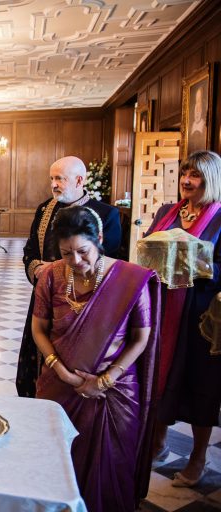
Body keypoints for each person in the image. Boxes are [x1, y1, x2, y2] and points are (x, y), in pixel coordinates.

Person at [32, 206, 159, 512]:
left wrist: (104, 380)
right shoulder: (50, 276)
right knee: (57, 460)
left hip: (114, 391)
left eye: (82, 251)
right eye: (66, 253)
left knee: (111, 464)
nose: (75, 261)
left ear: (99, 239)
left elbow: (140, 339)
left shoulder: (129, 279)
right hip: (59, 385)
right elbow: (39, 329)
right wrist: (64, 374)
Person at [16, 155, 121, 397]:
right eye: (52, 178)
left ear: (79, 180)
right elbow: (30, 251)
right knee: (37, 364)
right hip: (45, 296)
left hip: (85, 303)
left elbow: (112, 260)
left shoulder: (105, 214)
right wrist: (37, 269)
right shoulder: (44, 209)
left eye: (60, 179)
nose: (54, 184)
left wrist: (59, 270)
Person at [148, 150, 221, 487]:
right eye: (185, 174)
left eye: (197, 177)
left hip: (201, 315)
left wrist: (196, 259)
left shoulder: (219, 219)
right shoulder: (168, 212)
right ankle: (159, 442)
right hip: (164, 306)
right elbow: (149, 246)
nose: (187, 181)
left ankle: (198, 458)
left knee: (199, 385)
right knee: (161, 375)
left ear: (212, 181)